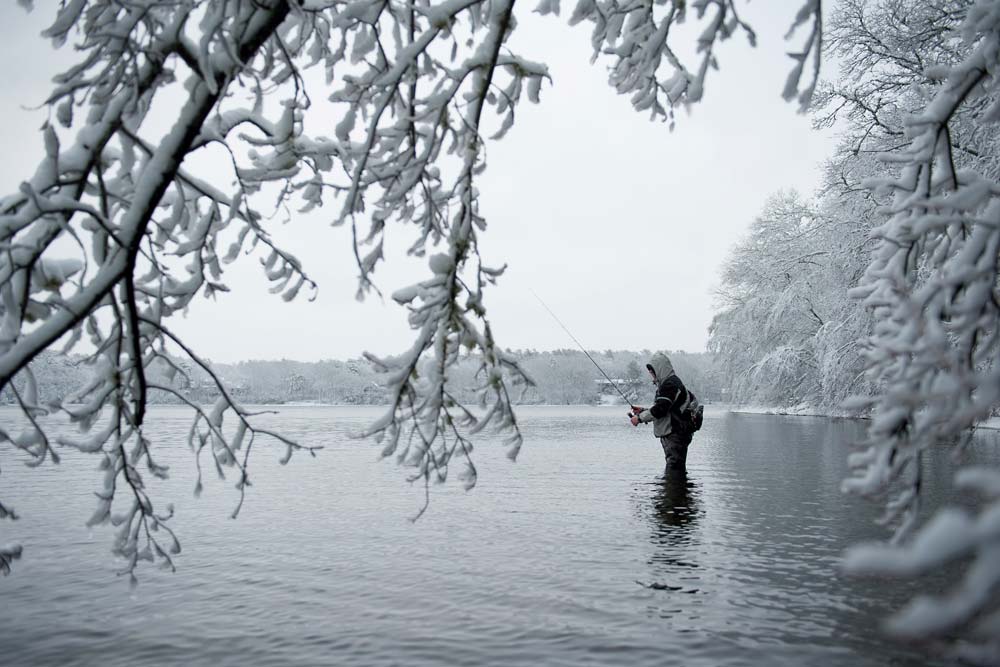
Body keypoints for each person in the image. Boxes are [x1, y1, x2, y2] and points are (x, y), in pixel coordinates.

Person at [629, 351, 696, 471]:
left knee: (674, 469)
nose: (651, 375)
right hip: (676, 433)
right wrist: (643, 411)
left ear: (660, 369)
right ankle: (676, 483)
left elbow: (660, 409)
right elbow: (667, 409)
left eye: (652, 371)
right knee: (676, 469)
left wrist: (639, 418)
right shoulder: (671, 383)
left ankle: (674, 483)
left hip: (675, 434)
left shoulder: (670, 385)